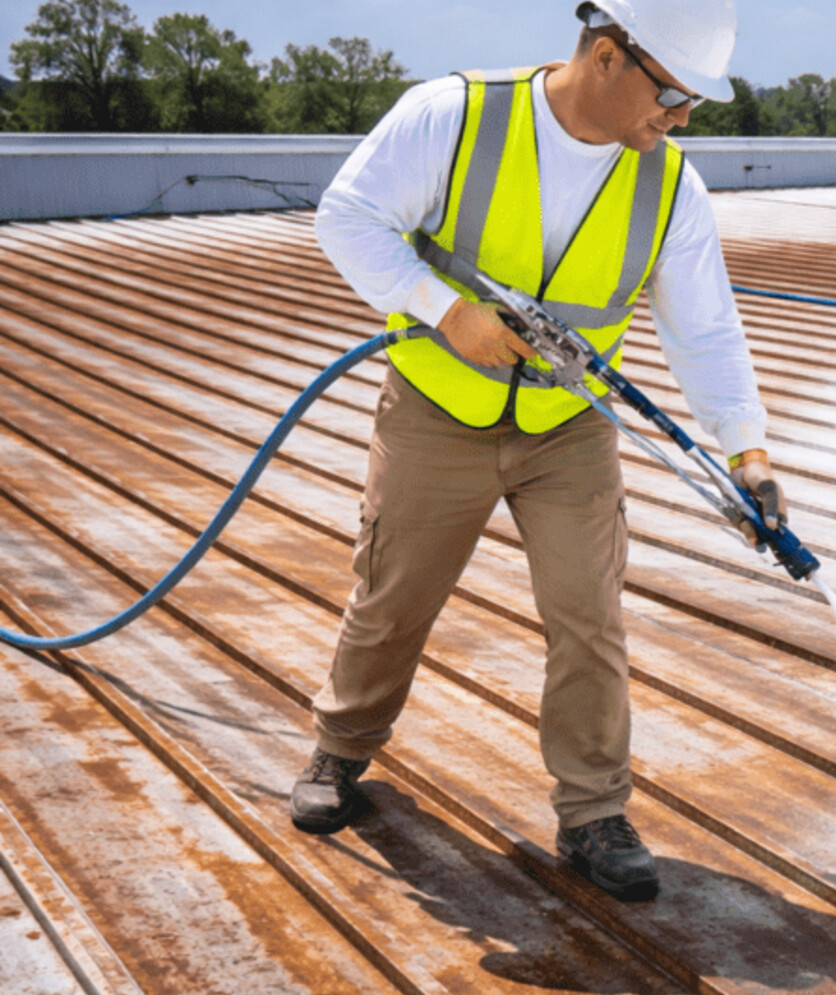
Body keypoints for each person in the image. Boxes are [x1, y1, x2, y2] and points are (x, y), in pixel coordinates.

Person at [291, 0, 782, 902]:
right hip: (438, 406)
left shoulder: (670, 185)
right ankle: (340, 750)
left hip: (570, 424)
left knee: (589, 618)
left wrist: (747, 451)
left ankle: (594, 813)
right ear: (607, 56)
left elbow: (705, 331)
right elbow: (349, 216)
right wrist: (447, 314)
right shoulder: (456, 115)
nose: (678, 120)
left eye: (693, 106)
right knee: (394, 594)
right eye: (673, 96)